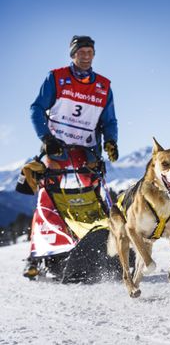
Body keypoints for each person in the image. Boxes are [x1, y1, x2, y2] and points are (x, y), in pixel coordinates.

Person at [23, 35, 119, 279]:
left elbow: (109, 120)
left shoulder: (104, 86)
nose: (86, 56)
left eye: (90, 52)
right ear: (73, 54)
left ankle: (102, 246)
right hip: (57, 148)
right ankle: (36, 255)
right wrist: (46, 137)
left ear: (94, 55)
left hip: (86, 151)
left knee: (94, 195)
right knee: (47, 195)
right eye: (81, 52)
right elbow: (36, 108)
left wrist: (111, 141)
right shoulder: (56, 77)